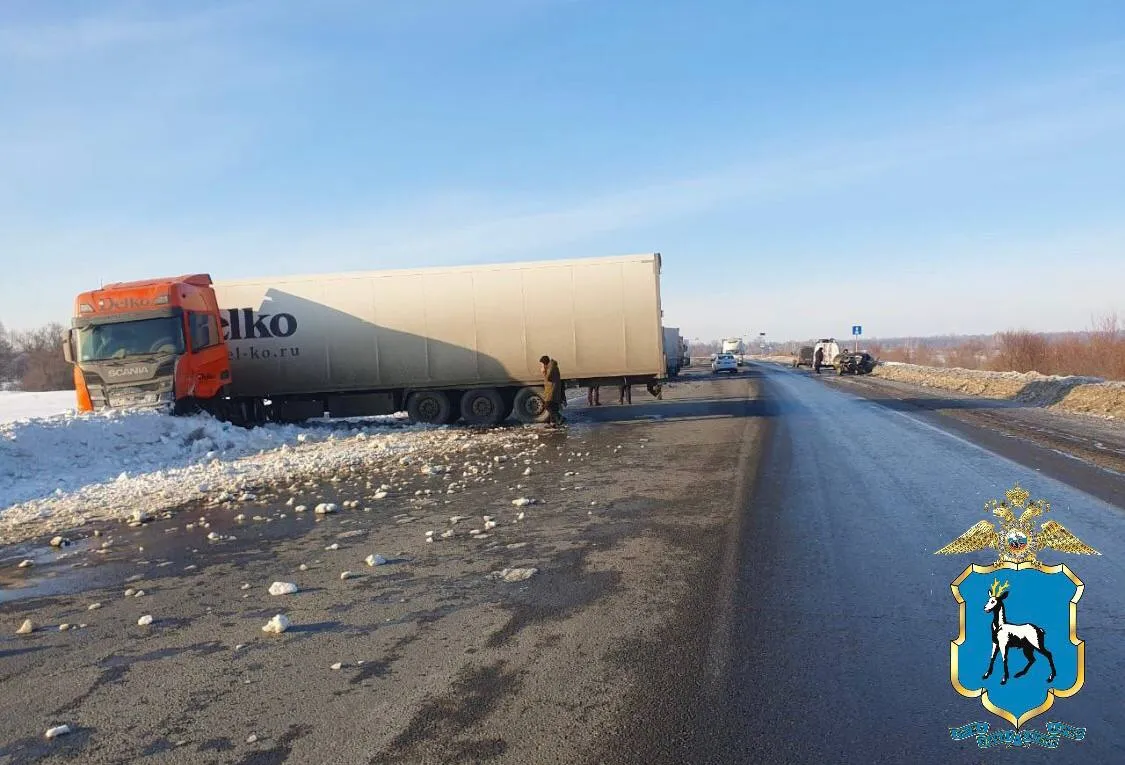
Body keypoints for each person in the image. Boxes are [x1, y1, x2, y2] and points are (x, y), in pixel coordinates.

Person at [540, 355, 565, 427]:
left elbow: (548, 378)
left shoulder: (551, 368)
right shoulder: (552, 366)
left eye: (542, 364)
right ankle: (552, 423)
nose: (541, 365)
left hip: (551, 390)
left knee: (548, 405)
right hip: (553, 389)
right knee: (553, 407)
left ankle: (560, 418)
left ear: (544, 363)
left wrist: (543, 371)